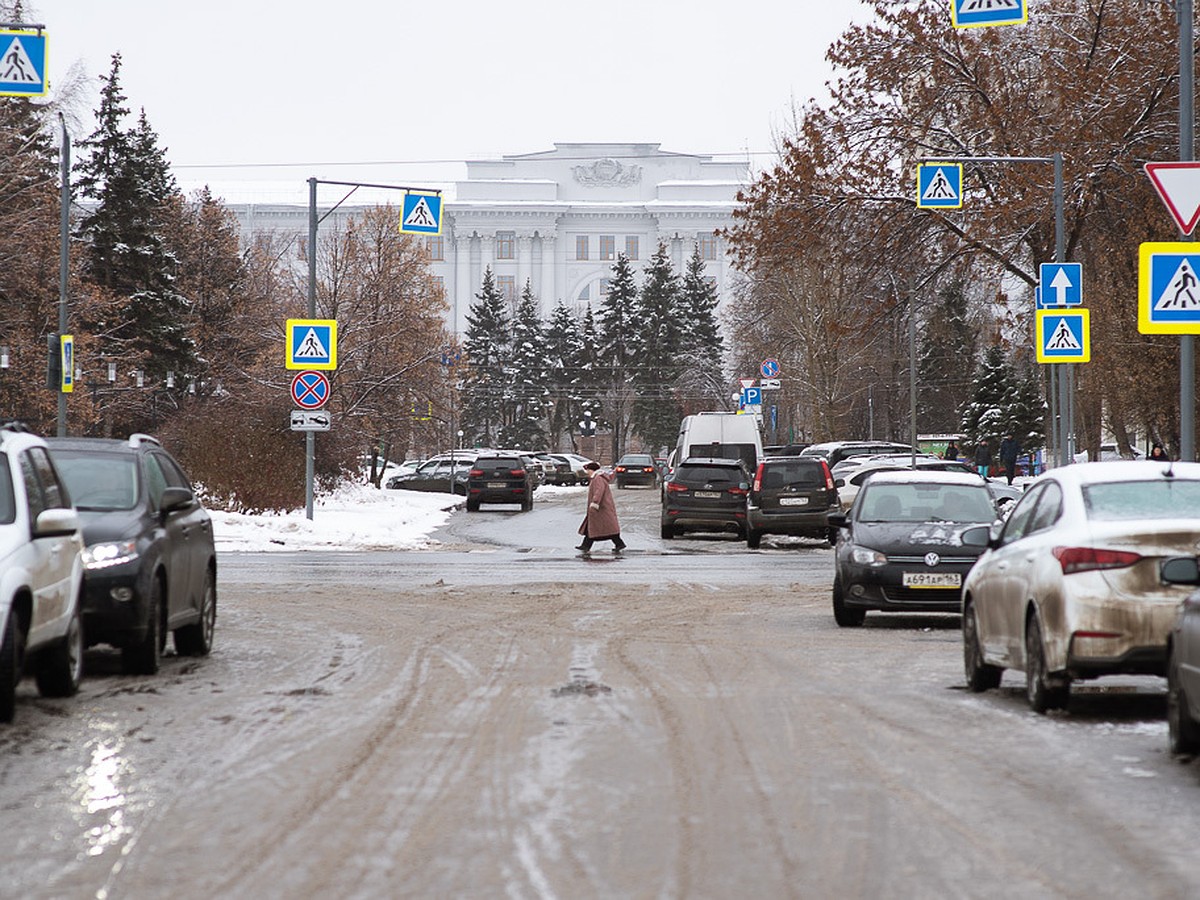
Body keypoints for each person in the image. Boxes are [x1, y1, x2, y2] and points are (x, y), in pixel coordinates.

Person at [577, 461, 626, 553]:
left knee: (602, 527)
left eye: (588, 470)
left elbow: (599, 491)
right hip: (600, 507)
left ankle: (619, 543)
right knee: (596, 526)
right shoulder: (596, 477)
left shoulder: (598, 478)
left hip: (601, 507)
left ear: (592, 470)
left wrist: (595, 502)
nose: (587, 472)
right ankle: (585, 545)